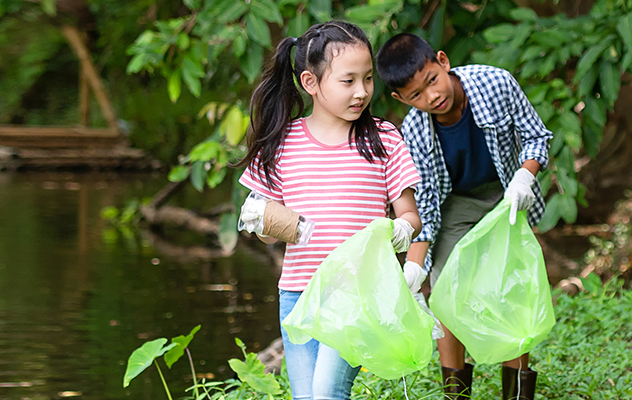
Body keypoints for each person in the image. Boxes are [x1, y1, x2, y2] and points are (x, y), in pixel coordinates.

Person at [234, 21, 423, 400]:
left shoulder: (384, 138)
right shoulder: (282, 142)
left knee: (326, 392)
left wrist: (401, 231)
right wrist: (262, 221)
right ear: (310, 82)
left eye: (367, 79)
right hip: (298, 293)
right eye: (348, 81)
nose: (362, 91)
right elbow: (268, 233)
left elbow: (410, 217)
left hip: (358, 293)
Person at [375, 33, 554, 400]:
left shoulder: (496, 83)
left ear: (443, 61)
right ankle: (455, 395)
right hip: (453, 203)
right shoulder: (414, 130)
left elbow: (537, 136)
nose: (431, 97)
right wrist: (415, 268)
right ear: (400, 99)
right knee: (445, 294)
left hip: (506, 192)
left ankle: (516, 395)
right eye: (416, 95)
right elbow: (425, 203)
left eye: (432, 81)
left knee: (511, 289)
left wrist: (525, 176)